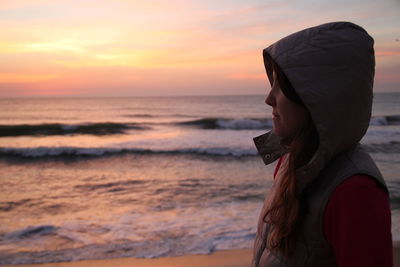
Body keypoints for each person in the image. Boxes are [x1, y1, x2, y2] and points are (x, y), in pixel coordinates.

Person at [252, 22, 393, 267]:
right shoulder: (292, 159)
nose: (269, 98)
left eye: (282, 86)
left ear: (317, 96)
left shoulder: (356, 192)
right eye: (271, 83)